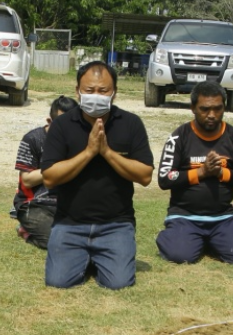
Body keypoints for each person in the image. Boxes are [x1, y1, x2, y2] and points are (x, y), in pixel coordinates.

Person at [40, 62, 153, 289]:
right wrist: (89, 152)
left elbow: (145, 176)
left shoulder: (131, 123)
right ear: (78, 91)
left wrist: (107, 152)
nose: (96, 96)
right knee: (58, 281)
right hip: (70, 223)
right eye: (89, 90)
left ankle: (99, 257)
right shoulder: (62, 125)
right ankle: (83, 256)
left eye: (103, 91)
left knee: (119, 283)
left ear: (114, 92)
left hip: (116, 224)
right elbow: (50, 178)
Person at [156, 82, 233, 265]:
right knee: (180, 255)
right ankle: (177, 235)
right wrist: (201, 172)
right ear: (193, 108)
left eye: (217, 109)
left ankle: (214, 238)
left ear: (224, 107)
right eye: (204, 109)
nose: (211, 115)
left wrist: (221, 172)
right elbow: (165, 179)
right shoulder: (178, 137)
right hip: (185, 216)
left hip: (222, 216)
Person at [13, 95, 75, 249]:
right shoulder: (32, 139)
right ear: (49, 121)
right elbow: (27, 180)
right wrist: (57, 167)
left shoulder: (81, 140)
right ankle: (26, 232)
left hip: (70, 204)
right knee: (60, 243)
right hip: (36, 205)